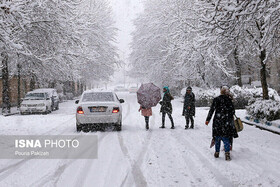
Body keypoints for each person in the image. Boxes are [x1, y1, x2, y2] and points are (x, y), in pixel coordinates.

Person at [205, 86, 236, 161]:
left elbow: (211, 110)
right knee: (226, 138)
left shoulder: (216, 99)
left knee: (217, 137)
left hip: (217, 121)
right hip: (226, 121)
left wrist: (208, 119)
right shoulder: (229, 100)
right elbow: (233, 111)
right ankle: (227, 153)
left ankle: (217, 152)